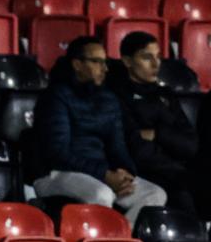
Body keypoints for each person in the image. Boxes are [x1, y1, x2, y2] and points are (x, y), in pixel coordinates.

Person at [31, 36, 167, 226]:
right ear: (77, 64)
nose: (105, 68)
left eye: (105, 62)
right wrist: (104, 175)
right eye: (96, 62)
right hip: (56, 173)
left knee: (155, 194)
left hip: (100, 172)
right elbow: (58, 153)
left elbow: (118, 146)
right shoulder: (55, 97)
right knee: (101, 194)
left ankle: (119, 240)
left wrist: (125, 172)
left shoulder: (108, 99)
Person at [111, 31, 198, 217]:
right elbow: (136, 148)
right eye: (146, 57)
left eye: (158, 57)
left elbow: (191, 144)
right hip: (144, 173)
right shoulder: (116, 97)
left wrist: (158, 134)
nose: (155, 64)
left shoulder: (166, 96)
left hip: (177, 171)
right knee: (181, 195)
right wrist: (171, 144)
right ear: (127, 61)